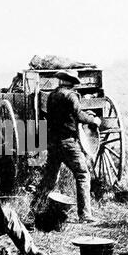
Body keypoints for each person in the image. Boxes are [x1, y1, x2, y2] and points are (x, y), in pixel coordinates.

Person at [31, 70, 102, 227]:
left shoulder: (52, 96)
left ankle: (34, 208)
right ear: (72, 82)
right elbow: (78, 115)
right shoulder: (72, 96)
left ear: (61, 80)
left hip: (52, 142)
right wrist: (94, 120)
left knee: (50, 178)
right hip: (68, 143)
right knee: (83, 174)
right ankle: (85, 215)